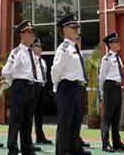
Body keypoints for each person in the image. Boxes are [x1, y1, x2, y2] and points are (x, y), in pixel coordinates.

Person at [51, 14, 89, 155]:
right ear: (65, 30)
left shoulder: (75, 48)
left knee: (75, 123)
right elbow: (55, 70)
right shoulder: (64, 48)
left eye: (77, 27)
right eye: (73, 27)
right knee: (65, 123)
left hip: (78, 87)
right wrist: (58, 86)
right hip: (67, 87)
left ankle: (73, 151)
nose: (76, 29)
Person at [2, 20, 38, 155]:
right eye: (29, 32)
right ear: (21, 35)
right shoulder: (17, 51)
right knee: (16, 119)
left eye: (33, 32)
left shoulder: (31, 52)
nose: (32, 35)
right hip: (20, 86)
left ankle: (27, 149)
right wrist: (15, 83)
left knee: (28, 120)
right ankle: (12, 148)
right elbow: (6, 71)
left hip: (30, 87)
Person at [98, 33, 124, 153]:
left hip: (117, 87)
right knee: (107, 116)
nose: (118, 43)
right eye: (116, 42)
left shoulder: (118, 57)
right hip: (109, 87)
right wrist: (102, 92)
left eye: (118, 41)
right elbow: (102, 76)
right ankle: (105, 143)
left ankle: (117, 142)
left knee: (116, 116)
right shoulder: (107, 58)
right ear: (110, 44)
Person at [31, 38, 51, 145]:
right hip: (34, 85)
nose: (40, 48)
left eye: (40, 46)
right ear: (32, 47)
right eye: (37, 46)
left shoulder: (42, 61)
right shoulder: (30, 59)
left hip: (42, 86)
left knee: (39, 113)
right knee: (30, 113)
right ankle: (28, 138)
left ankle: (40, 136)